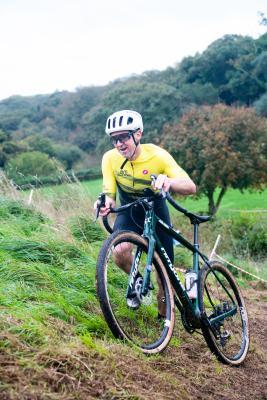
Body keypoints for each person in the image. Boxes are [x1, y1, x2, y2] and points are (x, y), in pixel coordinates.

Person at [94, 110, 196, 310]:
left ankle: (163, 319)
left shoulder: (158, 156)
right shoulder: (109, 158)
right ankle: (138, 279)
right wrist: (105, 203)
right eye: (114, 139)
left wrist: (170, 182)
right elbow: (110, 195)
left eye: (124, 137)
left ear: (138, 134)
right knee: (120, 251)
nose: (119, 144)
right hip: (129, 210)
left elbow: (190, 187)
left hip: (156, 211)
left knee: (163, 277)